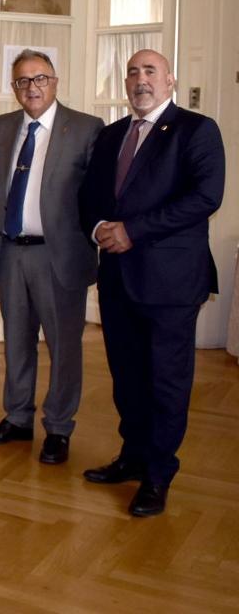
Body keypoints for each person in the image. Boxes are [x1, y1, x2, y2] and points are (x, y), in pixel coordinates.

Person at [78, 49, 224, 517]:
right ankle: (134, 456)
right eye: (133, 72)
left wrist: (132, 231)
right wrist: (99, 224)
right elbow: (90, 195)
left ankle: (159, 474)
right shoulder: (112, 135)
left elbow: (205, 196)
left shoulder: (196, 130)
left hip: (171, 283)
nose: (141, 80)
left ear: (171, 80)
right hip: (118, 279)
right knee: (127, 377)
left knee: (166, 380)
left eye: (150, 72)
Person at [0, 51, 103, 465]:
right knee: (16, 341)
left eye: (40, 79)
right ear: (13, 88)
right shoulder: (2, 127)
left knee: (64, 347)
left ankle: (59, 428)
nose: (31, 88)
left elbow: (100, 194)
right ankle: (17, 417)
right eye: (22, 81)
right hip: (11, 250)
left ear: (56, 81)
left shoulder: (85, 128)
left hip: (59, 255)